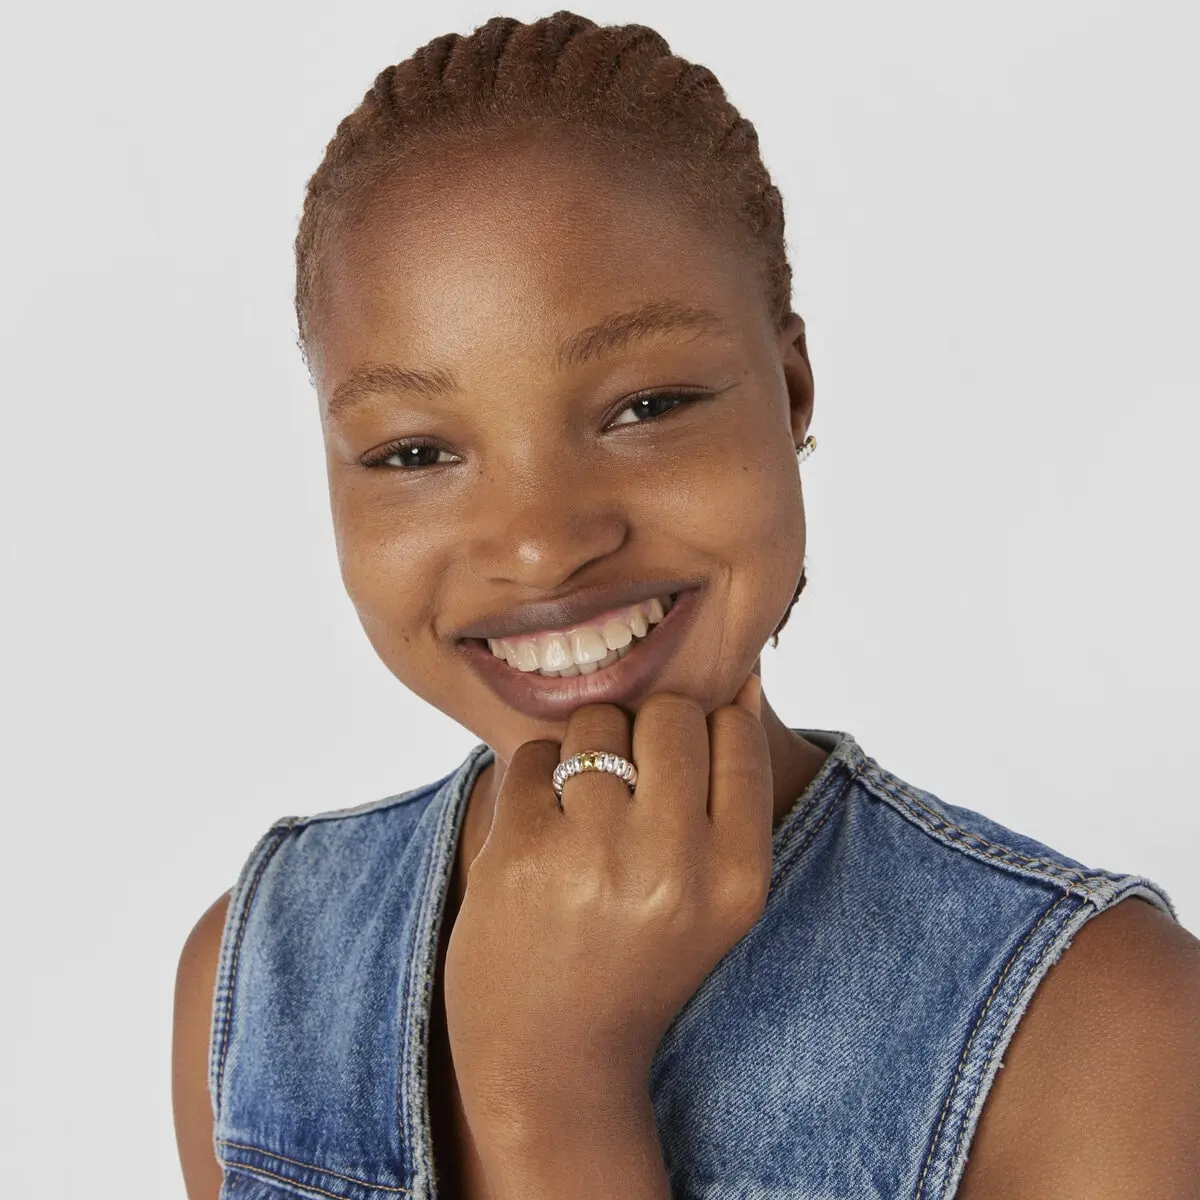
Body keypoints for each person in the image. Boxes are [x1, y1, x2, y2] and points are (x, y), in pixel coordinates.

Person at [171, 11, 1200, 1199]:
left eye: (646, 407)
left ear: (791, 389)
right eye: (414, 454)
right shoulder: (255, 972)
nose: (543, 544)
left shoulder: (1107, 1033)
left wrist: (552, 1095)